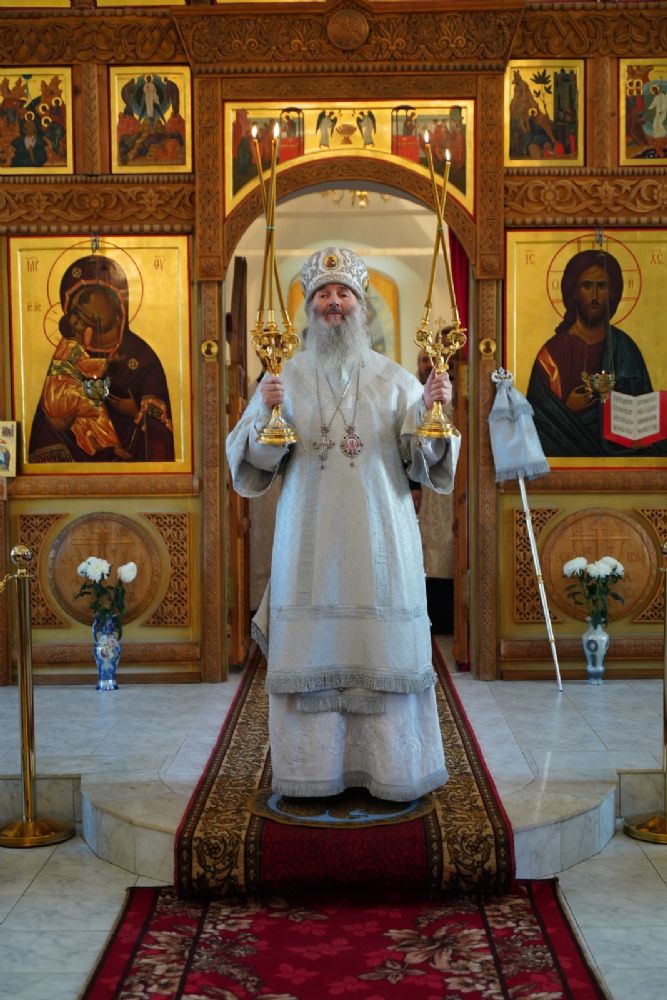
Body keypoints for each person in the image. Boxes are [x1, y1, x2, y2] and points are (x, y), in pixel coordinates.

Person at [226, 246, 460, 801]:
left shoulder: (396, 380)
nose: (334, 303)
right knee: (317, 650)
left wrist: (434, 412)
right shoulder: (283, 378)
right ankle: (313, 775)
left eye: (344, 294)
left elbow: (422, 463)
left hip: (382, 539)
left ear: (361, 305)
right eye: (324, 294)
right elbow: (253, 461)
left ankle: (391, 771)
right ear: (310, 308)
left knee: (381, 652)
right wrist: (265, 413)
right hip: (308, 542)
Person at [29, 254, 175, 463]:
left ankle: (112, 447)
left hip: (134, 473)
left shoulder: (143, 358)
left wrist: (135, 412)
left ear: (118, 303)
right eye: (78, 307)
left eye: (90, 297)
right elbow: (47, 424)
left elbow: (162, 436)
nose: (85, 307)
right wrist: (57, 423)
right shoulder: (69, 351)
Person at [526, 248, 664, 457]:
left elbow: (647, 415)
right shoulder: (550, 354)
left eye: (602, 286)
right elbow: (535, 419)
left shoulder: (625, 348)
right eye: (587, 286)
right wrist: (567, 408)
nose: (595, 296)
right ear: (573, 292)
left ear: (613, 293)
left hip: (622, 456)